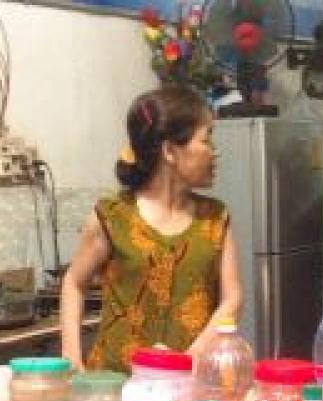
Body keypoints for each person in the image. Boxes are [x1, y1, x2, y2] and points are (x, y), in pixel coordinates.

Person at [61, 86, 243, 372]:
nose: (214, 152)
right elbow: (74, 282)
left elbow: (232, 299)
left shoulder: (215, 218)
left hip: (190, 382)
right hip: (115, 384)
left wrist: (189, 358)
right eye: (206, 139)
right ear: (170, 151)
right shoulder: (113, 216)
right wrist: (71, 355)